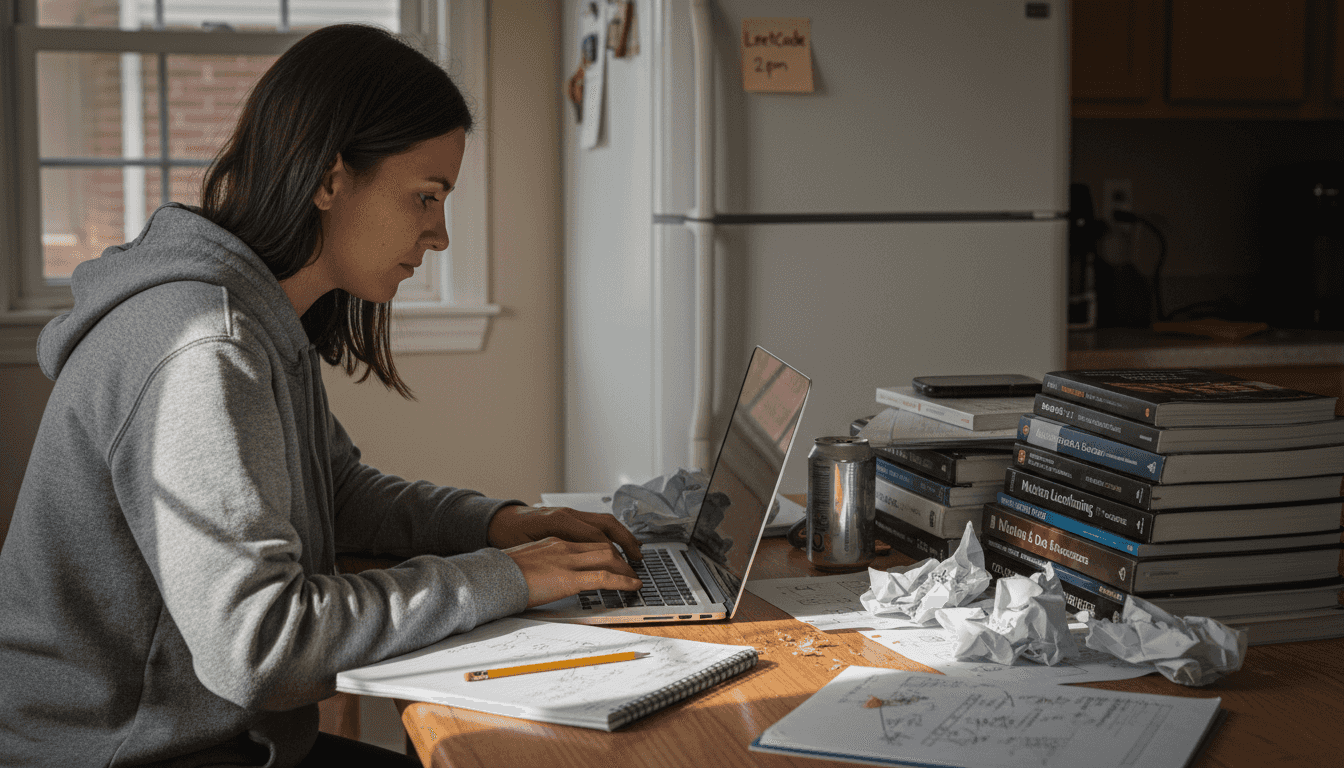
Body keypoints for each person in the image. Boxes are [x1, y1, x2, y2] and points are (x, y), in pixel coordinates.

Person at [0, 24, 642, 767]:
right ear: (330, 180)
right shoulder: (204, 344)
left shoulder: (256, 314)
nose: (439, 235)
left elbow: (333, 492)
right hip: (120, 752)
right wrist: (510, 578)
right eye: (425, 197)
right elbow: (260, 647)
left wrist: (501, 525)